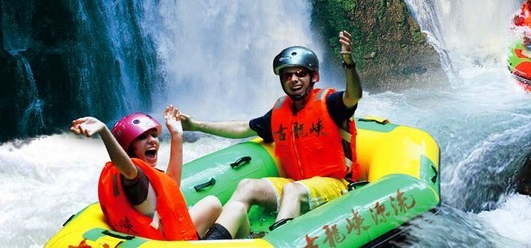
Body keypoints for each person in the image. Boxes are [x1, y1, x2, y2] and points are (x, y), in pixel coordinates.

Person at [178, 31, 362, 239]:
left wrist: (349, 63)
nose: (294, 79)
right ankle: (214, 240)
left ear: (314, 77)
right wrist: (196, 125)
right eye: (287, 75)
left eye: (300, 73)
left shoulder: (330, 103)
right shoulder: (279, 112)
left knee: (293, 190)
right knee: (247, 186)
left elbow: (353, 95)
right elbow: (242, 128)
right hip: (296, 184)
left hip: (335, 184)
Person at [70, 106, 245, 241]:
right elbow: (128, 169)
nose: (152, 140)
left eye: (153, 135)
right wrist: (104, 132)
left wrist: (177, 135)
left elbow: (171, 188)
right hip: (169, 244)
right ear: (129, 147)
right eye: (143, 137)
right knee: (237, 209)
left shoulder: (139, 181)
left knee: (213, 203)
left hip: (163, 238)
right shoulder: (133, 178)